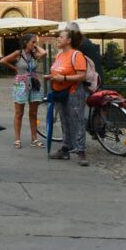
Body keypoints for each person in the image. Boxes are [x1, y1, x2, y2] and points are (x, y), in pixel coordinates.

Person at [45, 25, 89, 166]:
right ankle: (65, 148)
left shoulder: (77, 55)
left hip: (73, 91)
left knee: (77, 120)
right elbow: (58, 70)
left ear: (69, 40)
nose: (58, 39)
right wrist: (51, 76)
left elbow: (82, 76)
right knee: (64, 120)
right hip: (60, 92)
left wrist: (63, 78)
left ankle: (81, 152)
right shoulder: (59, 55)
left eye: (61, 37)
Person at [0, 33, 47, 148]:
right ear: (26, 42)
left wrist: (35, 46)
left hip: (34, 83)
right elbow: (3, 60)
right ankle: (17, 139)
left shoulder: (34, 55)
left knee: (33, 113)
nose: (34, 44)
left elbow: (44, 53)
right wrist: (15, 68)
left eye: (35, 42)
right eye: (33, 42)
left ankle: (34, 139)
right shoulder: (18, 53)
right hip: (20, 83)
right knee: (19, 113)